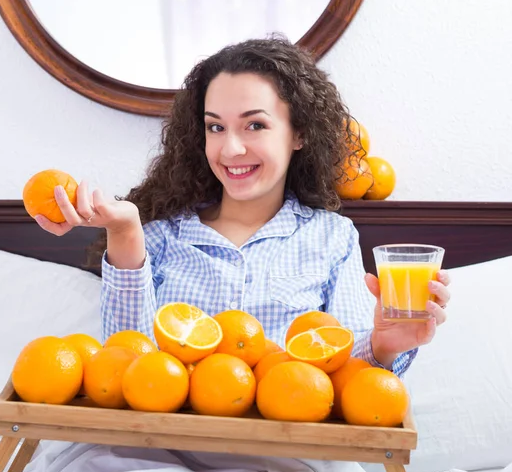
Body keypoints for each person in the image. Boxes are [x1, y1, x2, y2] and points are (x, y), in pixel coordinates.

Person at [35, 35, 450, 376]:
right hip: (157, 458)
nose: (231, 148)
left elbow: (347, 377)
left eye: (255, 125)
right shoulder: (157, 237)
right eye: (216, 127)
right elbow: (124, 368)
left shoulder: (332, 237)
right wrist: (124, 232)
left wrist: (385, 343)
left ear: (299, 133)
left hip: (282, 460)